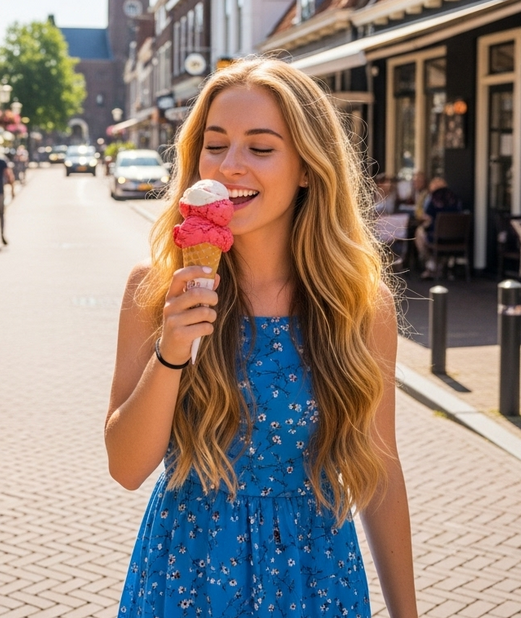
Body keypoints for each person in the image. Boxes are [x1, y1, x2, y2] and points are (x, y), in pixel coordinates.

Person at [105, 57, 417, 618]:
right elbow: (126, 469)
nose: (230, 166)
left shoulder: (359, 306)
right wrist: (171, 351)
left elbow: (380, 472)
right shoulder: (154, 289)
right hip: (188, 575)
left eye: (261, 148)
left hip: (314, 577)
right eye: (215, 145)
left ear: (308, 168)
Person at [415, 176, 463, 278]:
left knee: (419, 233)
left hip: (437, 237)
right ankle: (439, 266)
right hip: (458, 238)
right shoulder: (455, 198)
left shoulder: (433, 198)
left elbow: (426, 217)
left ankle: (431, 264)